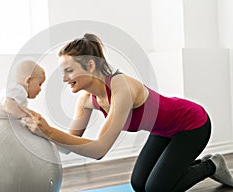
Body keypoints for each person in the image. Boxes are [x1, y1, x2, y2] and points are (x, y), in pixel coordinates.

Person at [19, 33, 233, 191]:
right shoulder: (86, 100)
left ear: (90, 65)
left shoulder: (121, 88)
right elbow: (68, 145)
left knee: (155, 190)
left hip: (192, 125)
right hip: (163, 131)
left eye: (69, 70)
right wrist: (36, 133)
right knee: (139, 184)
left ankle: (211, 165)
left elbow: (99, 150)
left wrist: (47, 130)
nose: (64, 79)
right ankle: (183, 167)